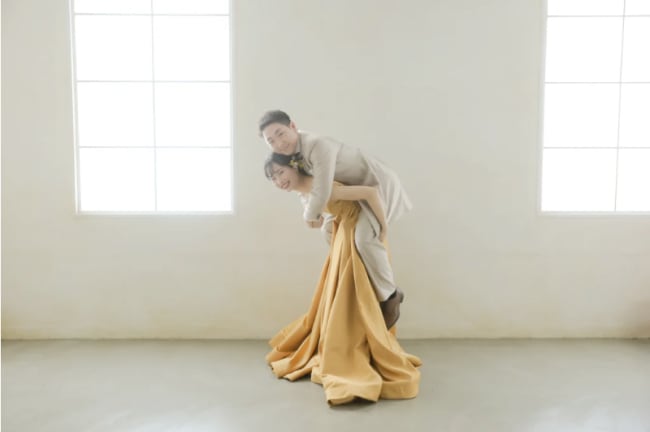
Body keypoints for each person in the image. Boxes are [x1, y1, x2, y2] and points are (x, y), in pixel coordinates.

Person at [263, 153, 421, 405]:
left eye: (281, 172)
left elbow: (370, 193)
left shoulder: (320, 185)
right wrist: (320, 220)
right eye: (272, 178)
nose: (278, 180)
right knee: (342, 295)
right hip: (344, 232)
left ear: (295, 167)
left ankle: (388, 303)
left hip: (362, 232)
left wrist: (383, 227)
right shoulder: (304, 193)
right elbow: (319, 220)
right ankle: (355, 342)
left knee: (358, 290)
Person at [259, 110, 409, 329]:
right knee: (329, 231)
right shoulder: (294, 155)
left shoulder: (317, 145)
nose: (278, 143)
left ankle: (391, 295)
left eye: (280, 133)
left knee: (365, 239)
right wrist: (314, 214)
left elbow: (322, 190)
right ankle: (354, 281)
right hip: (353, 193)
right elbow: (309, 189)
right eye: (270, 141)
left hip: (376, 185)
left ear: (293, 126)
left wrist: (309, 216)